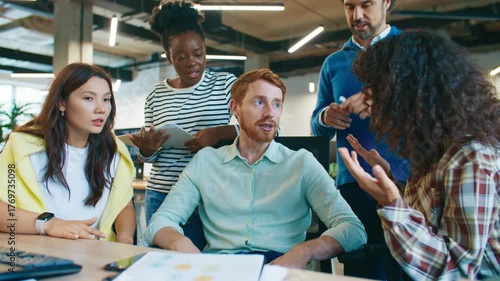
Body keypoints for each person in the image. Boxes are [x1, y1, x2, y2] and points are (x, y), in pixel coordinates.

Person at [144, 68, 367, 267]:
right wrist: (181, 243)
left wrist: (303, 251)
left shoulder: (301, 163)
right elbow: (160, 221)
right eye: (259, 102)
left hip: (279, 266)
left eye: (276, 104)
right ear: (235, 108)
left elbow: (352, 228)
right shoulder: (206, 161)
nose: (270, 112)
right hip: (220, 267)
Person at [339, 30, 500, 280]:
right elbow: (432, 217)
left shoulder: (470, 157)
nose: (370, 101)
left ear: (410, 93)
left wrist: (394, 206)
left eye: (377, 90)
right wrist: (392, 185)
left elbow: (458, 271)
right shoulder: (437, 149)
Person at [310, 0, 408, 279]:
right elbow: (317, 128)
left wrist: (384, 99)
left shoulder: (411, 52)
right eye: (349, 6)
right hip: (353, 186)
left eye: (366, 4)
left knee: (405, 266)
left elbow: (433, 110)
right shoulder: (334, 63)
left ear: (386, 2)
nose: (357, 15)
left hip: (406, 183)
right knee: (360, 270)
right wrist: (324, 117)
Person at [128, 1, 238, 249]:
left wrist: (218, 133)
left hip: (210, 196)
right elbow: (151, 157)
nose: (192, 63)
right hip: (162, 195)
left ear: (205, 49)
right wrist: (146, 149)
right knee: (166, 267)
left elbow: (264, 130)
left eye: (199, 54)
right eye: (181, 57)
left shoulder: (225, 85)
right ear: (168, 57)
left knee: (207, 267)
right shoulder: (156, 94)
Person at [0, 63, 136, 243]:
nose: (101, 109)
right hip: (39, 254)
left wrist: (124, 241)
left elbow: (123, 205)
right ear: (62, 103)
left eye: (106, 99)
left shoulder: (114, 151)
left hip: (98, 256)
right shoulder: (22, 147)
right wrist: (48, 224)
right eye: (88, 98)